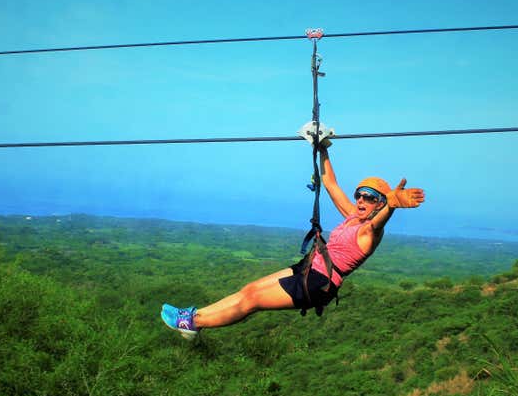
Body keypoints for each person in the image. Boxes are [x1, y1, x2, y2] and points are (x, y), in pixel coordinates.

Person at [161, 144, 425, 339]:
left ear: (379, 203)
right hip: (308, 267)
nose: (360, 201)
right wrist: (323, 147)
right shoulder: (353, 217)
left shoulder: (370, 231)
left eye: (370, 197)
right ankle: (193, 316)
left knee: (251, 302)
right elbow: (331, 184)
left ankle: (194, 323)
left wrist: (393, 204)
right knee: (249, 289)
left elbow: (380, 222)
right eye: (360, 195)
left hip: (318, 282)